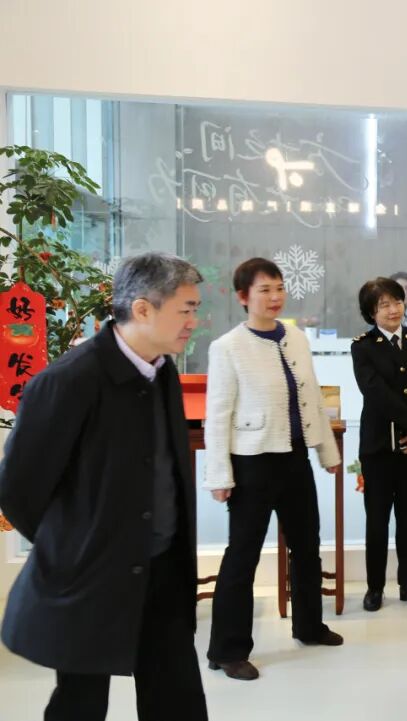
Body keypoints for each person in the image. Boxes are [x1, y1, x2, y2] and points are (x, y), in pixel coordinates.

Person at [0, 252, 208, 721]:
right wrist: (75, 545)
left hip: (162, 567)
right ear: (142, 309)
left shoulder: (161, 370)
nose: (193, 322)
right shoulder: (68, 381)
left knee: (176, 697)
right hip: (92, 575)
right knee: (81, 703)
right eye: (186, 309)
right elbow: (18, 490)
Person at [204, 257, 343, 682]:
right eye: (264, 289)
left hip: (295, 458)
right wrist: (219, 475)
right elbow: (217, 415)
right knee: (242, 556)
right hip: (252, 463)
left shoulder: (295, 338)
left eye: (279, 287)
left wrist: (328, 453)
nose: (275, 296)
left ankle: (309, 626)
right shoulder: (227, 347)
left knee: (307, 545)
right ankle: (227, 650)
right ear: (243, 297)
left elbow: (312, 399)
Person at [351, 277, 407, 613]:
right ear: (371, 312)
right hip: (378, 448)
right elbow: (375, 393)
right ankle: (375, 587)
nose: (393, 309)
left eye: (397, 302)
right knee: (377, 521)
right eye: (384, 305)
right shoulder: (363, 347)